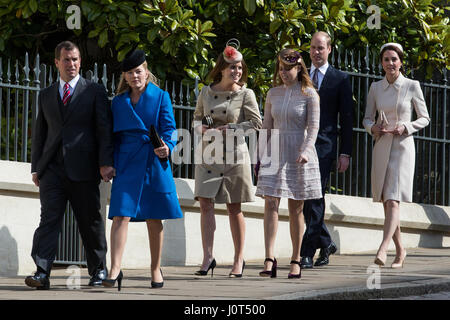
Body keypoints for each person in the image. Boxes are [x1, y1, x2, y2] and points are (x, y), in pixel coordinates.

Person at [26, 41, 114, 290]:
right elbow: (40, 135)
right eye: (66, 60)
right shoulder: (45, 94)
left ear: (80, 61)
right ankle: (42, 272)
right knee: (48, 221)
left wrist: (106, 163)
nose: (72, 64)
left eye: (75, 59)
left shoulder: (94, 91)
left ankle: (98, 270)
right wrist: (36, 168)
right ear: (57, 63)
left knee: (90, 222)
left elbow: (103, 130)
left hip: (84, 169)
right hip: (52, 170)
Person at [102, 50, 183, 290]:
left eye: (138, 71)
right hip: (126, 163)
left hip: (153, 162)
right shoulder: (118, 102)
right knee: (120, 215)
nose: (135, 76)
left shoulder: (161, 97)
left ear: (146, 71)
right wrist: (109, 162)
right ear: (125, 76)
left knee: (153, 216)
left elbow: (170, 129)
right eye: (130, 73)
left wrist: (166, 147)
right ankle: (115, 269)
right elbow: (110, 136)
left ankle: (155, 268)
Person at [193, 39, 262, 278]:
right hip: (208, 154)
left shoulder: (246, 94)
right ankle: (207, 257)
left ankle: (238, 259)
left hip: (234, 155)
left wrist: (231, 129)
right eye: (232, 67)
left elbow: (256, 124)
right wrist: (204, 129)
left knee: (234, 207)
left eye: (240, 67)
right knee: (205, 205)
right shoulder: (206, 91)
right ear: (222, 68)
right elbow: (197, 119)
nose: (237, 71)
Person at [255, 49, 322, 279]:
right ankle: (269, 258)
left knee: (296, 208)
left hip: (298, 152)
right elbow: (266, 126)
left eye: (288, 69)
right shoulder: (272, 93)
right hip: (275, 151)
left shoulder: (309, 94)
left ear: (298, 68)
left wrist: (305, 150)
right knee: (270, 204)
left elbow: (313, 127)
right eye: (281, 69)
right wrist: (260, 155)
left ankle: (296, 258)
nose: (283, 73)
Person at [363, 43, 429, 268]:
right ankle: (401, 250)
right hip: (382, 145)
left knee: (393, 199)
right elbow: (367, 118)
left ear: (401, 62)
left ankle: (383, 249)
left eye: (394, 59)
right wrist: (374, 128)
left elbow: (425, 118)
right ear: (381, 63)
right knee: (386, 201)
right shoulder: (375, 88)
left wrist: (406, 127)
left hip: (402, 147)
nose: (390, 63)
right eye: (386, 59)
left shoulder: (412, 85)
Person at [300, 31, 354, 269]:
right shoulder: (302, 77)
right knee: (307, 199)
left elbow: (348, 119)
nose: (316, 52)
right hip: (301, 146)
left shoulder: (340, 78)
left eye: (320, 48)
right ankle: (326, 241)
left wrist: (345, 152)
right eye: (313, 48)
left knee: (315, 196)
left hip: (325, 147)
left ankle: (306, 252)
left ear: (329, 49)